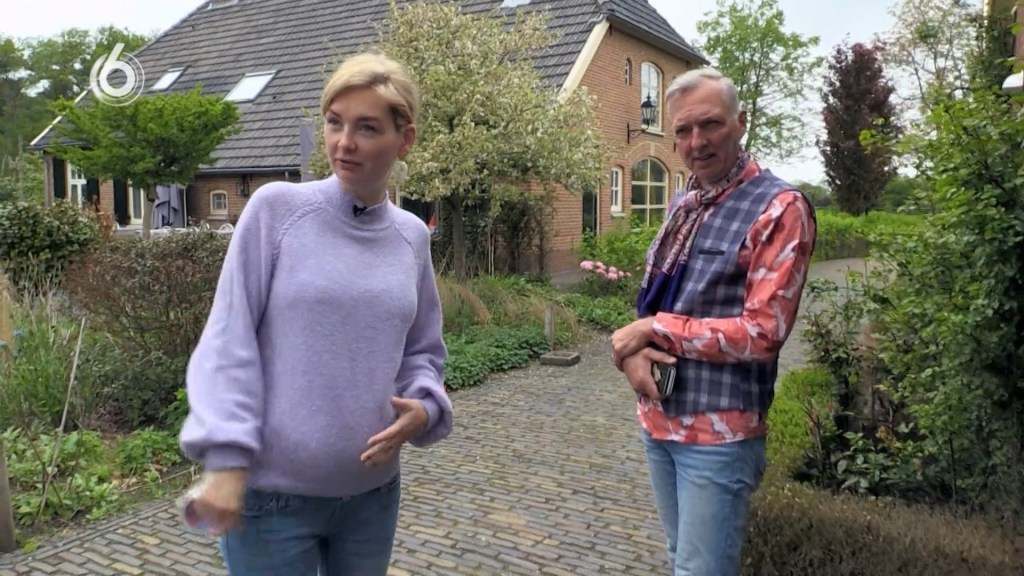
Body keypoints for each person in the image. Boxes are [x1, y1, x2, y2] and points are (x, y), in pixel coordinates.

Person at [177, 51, 453, 576]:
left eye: (367, 127)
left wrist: (424, 407)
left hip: (372, 499)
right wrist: (227, 459)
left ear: (405, 139)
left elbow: (422, 351)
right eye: (334, 122)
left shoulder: (411, 237)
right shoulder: (276, 211)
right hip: (271, 502)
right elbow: (228, 339)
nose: (344, 143)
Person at [610, 67, 817, 576]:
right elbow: (656, 301)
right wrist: (634, 355)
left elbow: (763, 332)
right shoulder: (684, 203)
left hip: (719, 434)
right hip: (658, 417)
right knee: (681, 558)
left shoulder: (779, 208)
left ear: (740, 123)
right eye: (683, 130)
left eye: (711, 125)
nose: (696, 142)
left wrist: (655, 330)